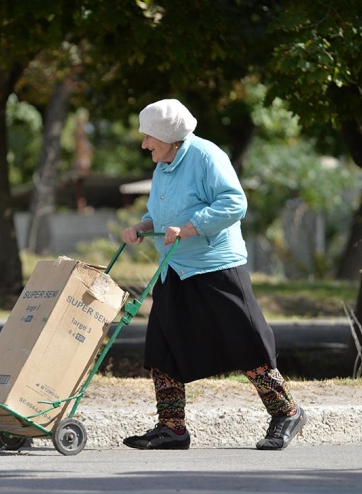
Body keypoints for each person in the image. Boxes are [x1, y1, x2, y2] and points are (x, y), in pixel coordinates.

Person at [121, 98, 306, 451]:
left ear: (168, 135)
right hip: (174, 267)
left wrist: (191, 227)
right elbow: (159, 211)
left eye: (149, 137)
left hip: (215, 266)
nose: (145, 144)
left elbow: (234, 203)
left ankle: (287, 412)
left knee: (246, 340)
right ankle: (172, 427)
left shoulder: (206, 156)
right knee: (162, 347)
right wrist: (144, 225)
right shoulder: (164, 165)